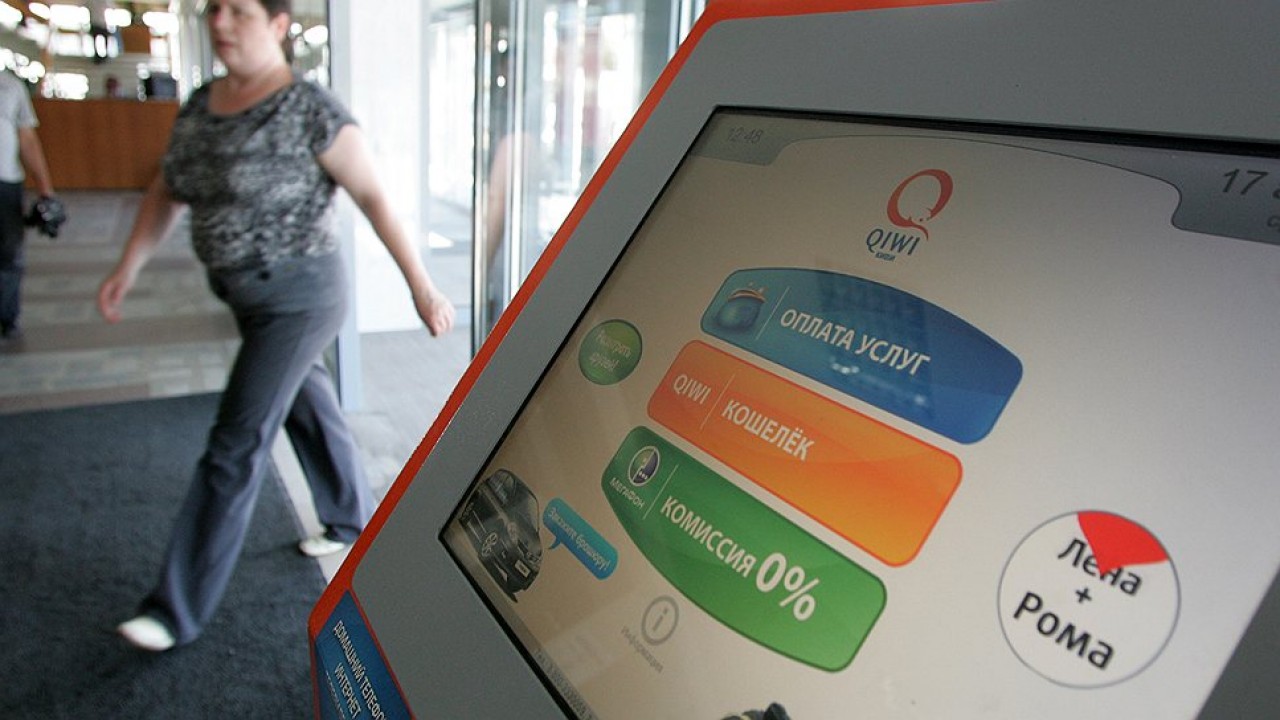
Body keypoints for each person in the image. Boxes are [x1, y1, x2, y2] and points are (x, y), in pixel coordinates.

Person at [97, 0, 456, 652]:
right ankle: (349, 521)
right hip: (246, 298)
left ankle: (175, 609)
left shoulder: (310, 109)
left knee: (236, 439)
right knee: (306, 405)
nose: (220, 22)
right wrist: (128, 267)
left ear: (278, 25)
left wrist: (421, 285)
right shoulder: (201, 107)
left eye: (239, 11)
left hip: (301, 297)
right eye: (215, 10)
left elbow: (373, 196)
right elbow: (167, 191)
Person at [0, 69, 57, 341]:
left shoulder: (11, 86)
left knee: (10, 252)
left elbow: (27, 138)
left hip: (6, 183)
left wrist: (46, 190)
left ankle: (7, 317)